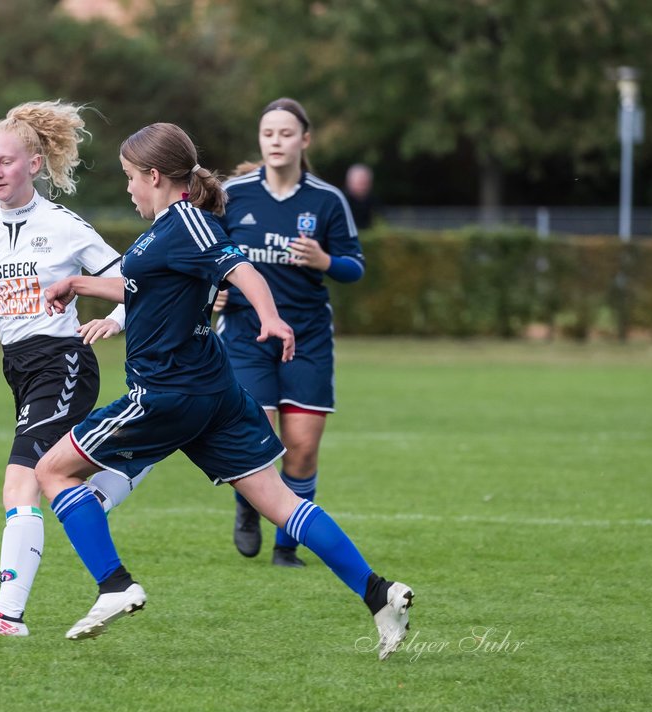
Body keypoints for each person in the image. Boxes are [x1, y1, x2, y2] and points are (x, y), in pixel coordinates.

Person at [35, 122, 414, 659]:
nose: (127, 189)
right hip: (213, 393)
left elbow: (242, 270)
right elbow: (142, 286)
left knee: (51, 471)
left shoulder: (188, 223)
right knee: (282, 503)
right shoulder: (168, 228)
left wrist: (272, 319)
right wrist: (78, 284)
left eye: (129, 178)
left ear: (154, 175)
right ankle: (379, 595)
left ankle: (115, 585)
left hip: (167, 392)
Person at [0, 100, 147, 639]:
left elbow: (135, 280)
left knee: (19, 484)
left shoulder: (64, 226)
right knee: (60, 482)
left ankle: (8, 615)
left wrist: (115, 322)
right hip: (19, 370)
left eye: (6, 161)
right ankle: (128, 465)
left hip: (64, 362)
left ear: (33, 163)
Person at [216, 98, 365, 567]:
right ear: (259, 141)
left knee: (300, 448)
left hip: (308, 338)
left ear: (305, 139)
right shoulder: (233, 194)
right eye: (268, 134)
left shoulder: (326, 200)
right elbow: (205, 255)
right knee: (257, 435)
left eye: (285, 133)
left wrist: (325, 261)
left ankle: (286, 548)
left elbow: (355, 267)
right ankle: (247, 504)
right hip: (245, 334)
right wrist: (214, 289)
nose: (276, 141)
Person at [345, 163, 374, 231]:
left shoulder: (373, 201)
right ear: (349, 182)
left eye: (365, 183)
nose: (363, 187)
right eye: (360, 183)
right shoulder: (341, 202)